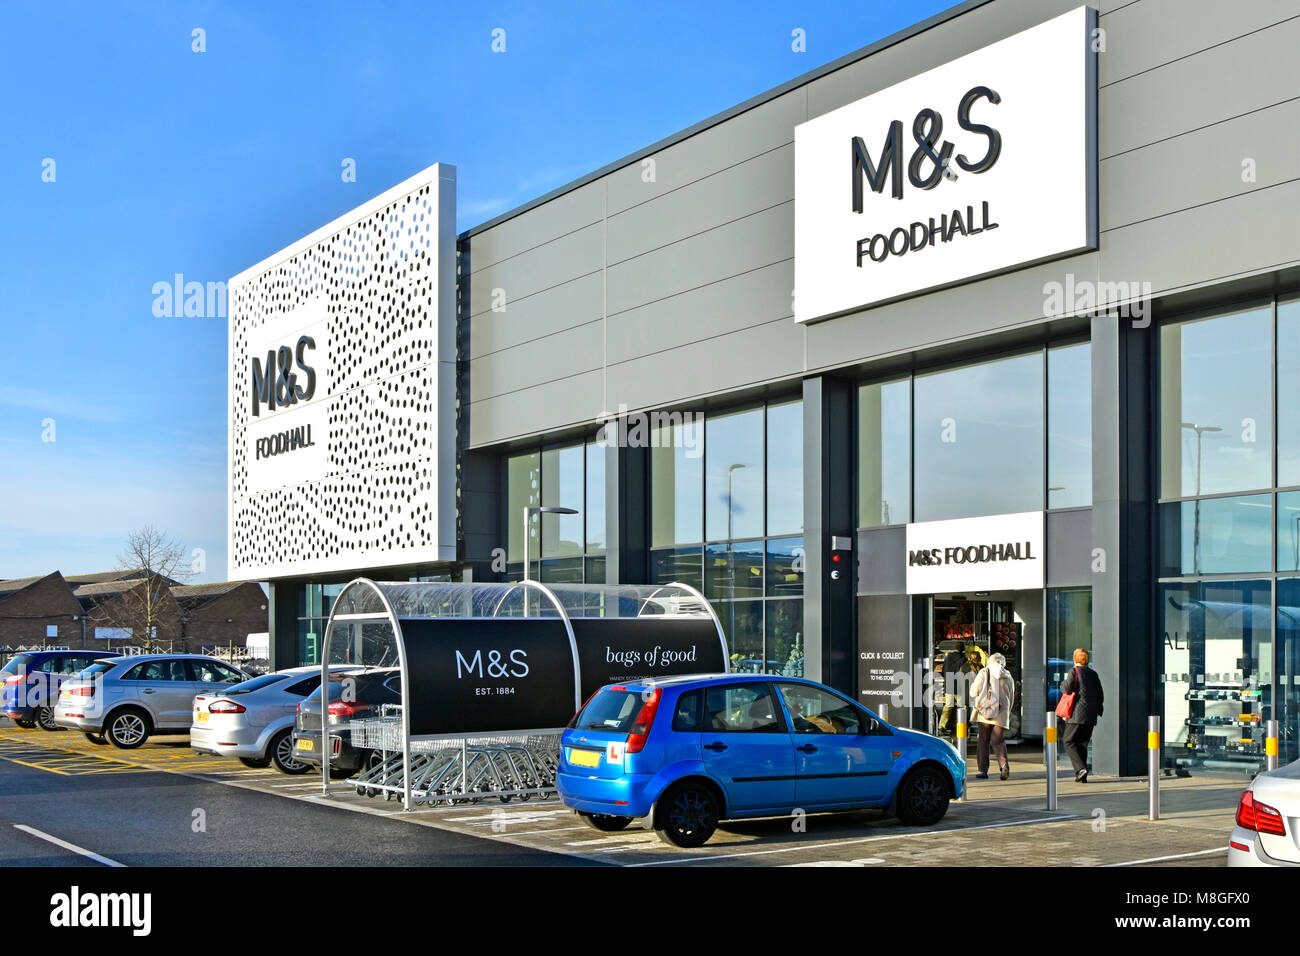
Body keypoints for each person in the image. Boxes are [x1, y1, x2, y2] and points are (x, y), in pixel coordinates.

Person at [1060, 647, 1104, 782]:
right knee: (1082, 743)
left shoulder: (1074, 671)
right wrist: (1098, 711)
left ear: (1075, 658)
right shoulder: (1093, 674)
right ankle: (1082, 776)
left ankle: (1080, 769)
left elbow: (1067, 689)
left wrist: (1062, 683)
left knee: (1068, 741)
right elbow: (1100, 694)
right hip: (1090, 715)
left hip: (1076, 714)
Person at [969, 652, 1015, 780]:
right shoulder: (1008, 676)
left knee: (983, 740)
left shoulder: (984, 672)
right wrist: (1007, 712)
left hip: (985, 711)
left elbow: (973, 691)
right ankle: (1004, 765)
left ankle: (983, 770)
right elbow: (1011, 697)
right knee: (998, 741)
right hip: (1002, 712)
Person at [938, 642, 967, 736]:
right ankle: (961, 726)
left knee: (948, 706)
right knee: (962, 707)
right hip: (960, 686)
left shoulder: (948, 657)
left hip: (949, 684)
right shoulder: (963, 659)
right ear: (962, 649)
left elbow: (942, 672)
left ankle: (941, 727)